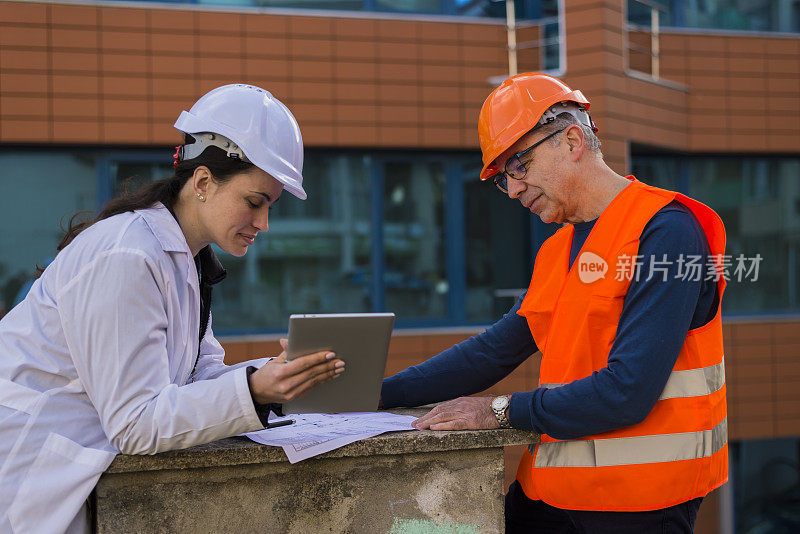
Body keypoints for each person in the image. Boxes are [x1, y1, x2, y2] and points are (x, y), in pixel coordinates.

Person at [381, 73, 727, 533]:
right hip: (550, 495)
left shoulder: (667, 232)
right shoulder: (559, 249)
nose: (514, 190)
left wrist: (498, 411)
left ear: (571, 140)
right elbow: (490, 352)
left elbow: (628, 391)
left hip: (640, 510)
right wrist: (370, 393)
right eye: (503, 179)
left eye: (519, 165)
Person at [0, 84, 345, 534]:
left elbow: (195, 377)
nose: (263, 223)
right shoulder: (128, 256)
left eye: (270, 207)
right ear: (202, 182)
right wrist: (254, 389)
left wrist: (277, 375)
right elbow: (135, 423)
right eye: (254, 202)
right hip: (26, 481)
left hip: (62, 482)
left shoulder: (183, 256)